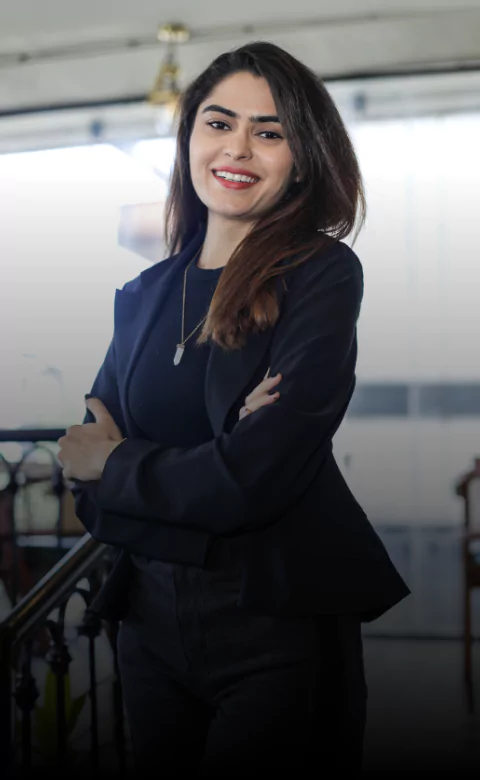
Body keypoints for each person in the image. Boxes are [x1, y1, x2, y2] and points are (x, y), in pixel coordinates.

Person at [58, 41, 410, 776]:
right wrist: (203, 459)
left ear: (302, 159)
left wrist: (122, 463)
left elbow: (255, 477)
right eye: (219, 124)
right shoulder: (146, 295)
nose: (238, 149)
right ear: (190, 138)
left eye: (268, 132)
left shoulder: (320, 274)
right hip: (148, 620)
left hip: (271, 617)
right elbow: (82, 477)